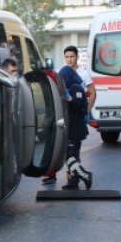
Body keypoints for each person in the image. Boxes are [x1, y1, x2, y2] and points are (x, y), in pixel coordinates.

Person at [43, 45, 97, 184]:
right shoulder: (63, 72)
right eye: (67, 56)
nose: (69, 59)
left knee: (71, 154)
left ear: (77, 57)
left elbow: (90, 95)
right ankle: (72, 181)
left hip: (75, 121)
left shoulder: (81, 76)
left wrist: (86, 111)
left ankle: (80, 177)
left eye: (72, 56)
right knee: (69, 153)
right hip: (68, 121)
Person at [58, 66, 93, 190]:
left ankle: (85, 175)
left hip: (75, 128)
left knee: (69, 156)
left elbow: (78, 105)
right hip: (74, 127)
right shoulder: (73, 87)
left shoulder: (75, 88)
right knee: (74, 156)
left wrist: (69, 98)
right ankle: (73, 182)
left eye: (62, 79)